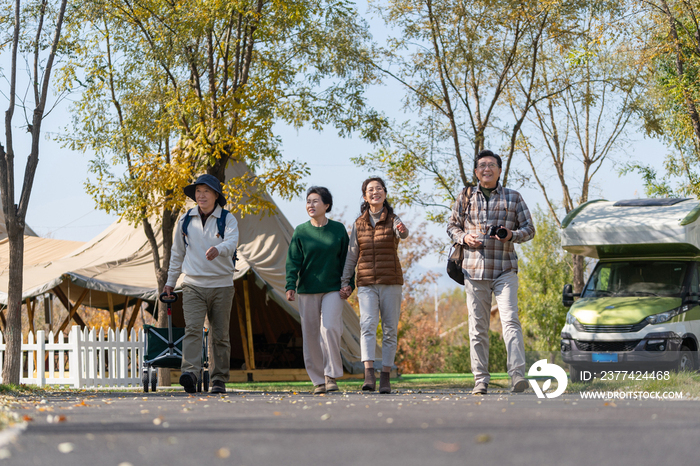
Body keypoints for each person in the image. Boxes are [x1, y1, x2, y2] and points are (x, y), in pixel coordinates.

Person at [447, 149, 535, 395]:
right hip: (474, 271)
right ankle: (480, 380)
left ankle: (517, 375)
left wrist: (511, 234)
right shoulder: (465, 198)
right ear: (476, 172)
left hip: (504, 268)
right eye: (482, 165)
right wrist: (465, 237)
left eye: (492, 165)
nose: (487, 169)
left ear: (499, 170)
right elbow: (452, 226)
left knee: (510, 321)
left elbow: (529, 229)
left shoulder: (513, 197)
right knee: (477, 328)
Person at [163, 174, 239, 394]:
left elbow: (232, 243)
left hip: (222, 285)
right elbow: (177, 253)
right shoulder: (185, 219)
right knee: (193, 330)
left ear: (216, 195)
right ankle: (190, 373)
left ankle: (218, 379)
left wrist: (219, 249)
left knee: (220, 334)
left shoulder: (227, 218)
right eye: (198, 191)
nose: (201, 195)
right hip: (193, 284)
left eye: (206, 191)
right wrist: (170, 282)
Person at [340, 177, 408, 394]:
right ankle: (369, 374)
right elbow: (352, 256)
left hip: (391, 282)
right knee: (367, 326)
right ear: (365, 196)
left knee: (389, 329)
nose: (375, 192)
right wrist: (345, 281)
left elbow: (403, 234)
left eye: (379, 189)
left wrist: (402, 229)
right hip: (367, 283)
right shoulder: (358, 224)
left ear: (385, 194)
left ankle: (385, 376)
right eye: (370, 190)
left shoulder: (393, 219)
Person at [285, 187, 352, 395]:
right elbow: (293, 260)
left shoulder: (338, 229)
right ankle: (317, 380)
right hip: (307, 289)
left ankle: (331, 375)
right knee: (311, 335)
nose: (310, 205)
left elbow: (348, 261)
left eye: (315, 201)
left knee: (330, 328)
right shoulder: (301, 231)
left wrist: (349, 283)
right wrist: (290, 285)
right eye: (308, 201)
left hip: (333, 288)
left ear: (326, 205)